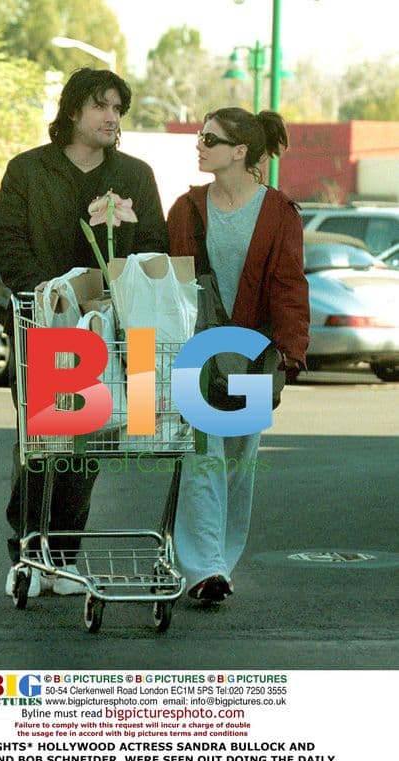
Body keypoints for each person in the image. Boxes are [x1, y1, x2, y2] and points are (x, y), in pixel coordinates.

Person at [0, 67, 168, 597]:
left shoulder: (135, 175)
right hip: (43, 324)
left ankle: (63, 554)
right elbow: (7, 238)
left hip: (110, 331)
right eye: (102, 106)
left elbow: (153, 243)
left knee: (88, 445)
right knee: (41, 445)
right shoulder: (27, 170)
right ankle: (27, 552)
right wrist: (45, 297)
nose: (112, 117)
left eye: (118, 109)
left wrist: (117, 299)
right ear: (73, 111)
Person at [167, 107, 310, 603]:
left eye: (210, 137)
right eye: (201, 136)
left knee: (239, 460)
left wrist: (291, 353)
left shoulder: (278, 212)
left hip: (253, 354)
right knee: (202, 455)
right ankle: (204, 567)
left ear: (241, 151)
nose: (199, 144)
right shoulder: (186, 209)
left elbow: (290, 287)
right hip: (197, 352)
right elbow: (171, 283)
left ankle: (222, 561)